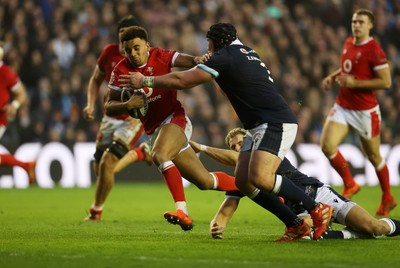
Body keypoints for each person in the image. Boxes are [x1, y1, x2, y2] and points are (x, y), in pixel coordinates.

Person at [119, 23, 334, 241]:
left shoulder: (225, 56)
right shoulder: (246, 51)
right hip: (258, 125)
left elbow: (181, 80)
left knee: (261, 177)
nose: (208, 49)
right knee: (243, 181)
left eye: (209, 44)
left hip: (274, 122)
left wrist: (144, 80)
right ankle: (295, 225)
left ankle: (316, 208)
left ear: (216, 42)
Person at [105, 25, 239, 232]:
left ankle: (182, 211)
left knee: (159, 154)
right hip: (154, 131)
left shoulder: (160, 56)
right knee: (204, 181)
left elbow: (181, 59)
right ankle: (255, 187)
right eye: (128, 50)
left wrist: (196, 60)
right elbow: (108, 106)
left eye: (137, 48)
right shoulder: (120, 71)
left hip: (175, 120)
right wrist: (126, 106)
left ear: (147, 46)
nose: (133, 53)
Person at [190, 128, 400, 240]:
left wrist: (201, 147)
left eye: (240, 143)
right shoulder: (245, 177)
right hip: (299, 213)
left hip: (318, 195)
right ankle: (351, 233)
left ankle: (360, 230)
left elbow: (237, 159)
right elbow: (229, 206)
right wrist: (217, 225)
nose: (237, 148)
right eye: (233, 146)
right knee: (305, 235)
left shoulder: (265, 153)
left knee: (375, 227)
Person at [320, 9, 396, 217]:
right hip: (343, 106)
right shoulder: (348, 42)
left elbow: (386, 82)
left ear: (370, 25)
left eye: (361, 22)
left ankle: (388, 196)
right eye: (354, 21)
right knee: (327, 146)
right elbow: (348, 68)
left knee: (374, 156)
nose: (357, 25)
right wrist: (333, 76)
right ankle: (350, 183)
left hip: (365, 111)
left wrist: (356, 83)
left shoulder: (375, 50)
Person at [83, 15, 151, 221]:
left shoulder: (145, 54)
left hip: (131, 120)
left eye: (130, 40)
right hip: (110, 116)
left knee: (108, 163)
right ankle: (141, 153)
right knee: (100, 169)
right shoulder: (108, 53)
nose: (126, 45)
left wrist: (142, 113)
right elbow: (96, 79)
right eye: (122, 39)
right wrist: (90, 103)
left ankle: (96, 211)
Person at [0, 41, 36, 184]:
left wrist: (14, 105)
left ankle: (26, 166)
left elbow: (22, 94)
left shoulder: (6, 73)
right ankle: (26, 166)